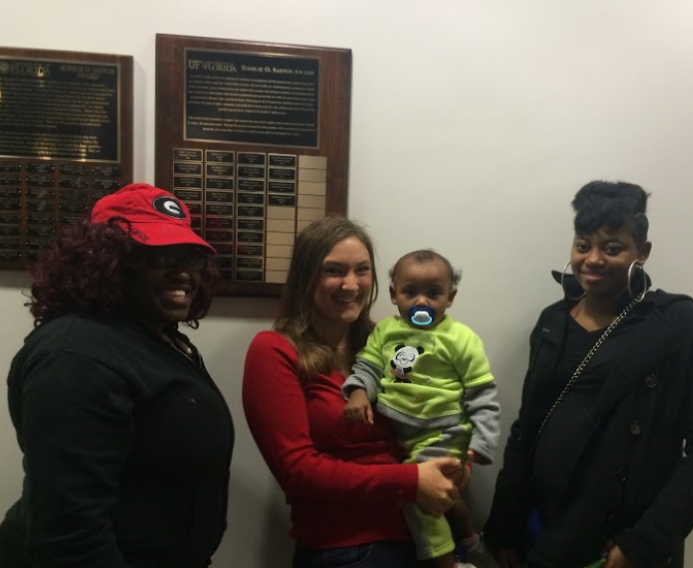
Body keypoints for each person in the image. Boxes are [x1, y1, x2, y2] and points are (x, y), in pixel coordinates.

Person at [484, 181, 693, 568]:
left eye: (612, 248)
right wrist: (504, 522)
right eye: (583, 245)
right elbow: (526, 429)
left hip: (618, 544)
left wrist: (641, 545)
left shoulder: (680, 326)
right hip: (539, 529)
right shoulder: (553, 322)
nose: (593, 259)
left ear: (643, 251)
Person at [0, 183, 234, 568]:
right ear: (106, 262)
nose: (182, 272)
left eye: (190, 258)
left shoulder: (151, 336)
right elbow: (72, 534)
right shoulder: (76, 357)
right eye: (159, 256)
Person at [242, 216, 465, 568]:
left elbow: (429, 407)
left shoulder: (387, 342)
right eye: (334, 271)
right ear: (305, 277)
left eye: (362, 270)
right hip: (346, 550)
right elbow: (298, 471)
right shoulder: (273, 351)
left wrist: (457, 459)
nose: (350, 285)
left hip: (425, 539)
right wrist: (411, 480)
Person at [342, 249, 501, 568]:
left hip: (445, 432)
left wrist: (483, 442)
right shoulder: (385, 331)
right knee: (444, 495)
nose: (422, 302)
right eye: (410, 292)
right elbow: (369, 367)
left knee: (419, 500)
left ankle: (448, 564)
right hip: (404, 434)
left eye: (434, 293)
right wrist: (358, 392)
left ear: (450, 297)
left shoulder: (461, 339)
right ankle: (471, 543)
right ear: (393, 294)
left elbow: (482, 394)